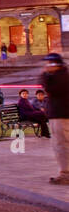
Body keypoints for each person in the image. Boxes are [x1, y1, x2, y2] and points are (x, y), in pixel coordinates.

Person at [38, 53, 69, 185]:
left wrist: (44, 75)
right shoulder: (63, 75)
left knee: (60, 144)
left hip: (60, 114)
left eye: (48, 64)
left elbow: (49, 89)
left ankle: (66, 174)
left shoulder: (60, 77)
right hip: (62, 114)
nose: (46, 67)